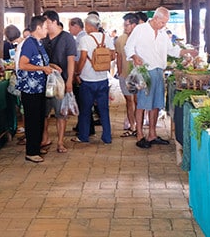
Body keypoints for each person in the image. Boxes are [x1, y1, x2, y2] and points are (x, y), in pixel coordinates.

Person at [125, 7, 198, 149]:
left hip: (159, 72)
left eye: (165, 23)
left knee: (156, 105)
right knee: (142, 105)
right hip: (145, 72)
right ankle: (140, 134)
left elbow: (172, 50)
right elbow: (129, 47)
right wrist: (134, 56)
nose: (164, 25)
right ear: (156, 18)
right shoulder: (140, 30)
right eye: (163, 22)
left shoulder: (163, 34)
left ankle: (152, 134)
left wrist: (187, 51)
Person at [17, 15, 54, 163]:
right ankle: (31, 152)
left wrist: (51, 67)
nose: (47, 30)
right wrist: (42, 68)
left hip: (39, 88)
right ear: (38, 28)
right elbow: (23, 64)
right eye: (45, 27)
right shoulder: (29, 43)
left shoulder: (38, 43)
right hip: (30, 90)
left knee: (39, 119)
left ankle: (36, 147)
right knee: (32, 120)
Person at [73, 14, 115, 144]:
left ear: (89, 26)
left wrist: (77, 72)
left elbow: (83, 58)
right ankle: (107, 137)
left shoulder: (85, 39)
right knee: (104, 109)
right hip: (103, 79)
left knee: (85, 110)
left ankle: (84, 136)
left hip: (88, 79)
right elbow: (113, 56)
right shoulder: (106, 38)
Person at [41, 10, 76, 154]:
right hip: (44, 81)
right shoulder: (42, 38)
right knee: (44, 112)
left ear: (55, 22)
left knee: (61, 113)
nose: (45, 26)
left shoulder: (67, 38)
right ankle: (45, 138)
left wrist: (69, 81)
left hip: (61, 82)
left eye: (47, 23)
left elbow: (71, 60)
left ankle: (60, 142)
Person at [115, 12, 140, 137]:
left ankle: (138, 127)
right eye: (124, 25)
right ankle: (132, 126)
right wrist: (120, 73)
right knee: (129, 101)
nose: (124, 28)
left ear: (134, 25)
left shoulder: (141, 38)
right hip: (125, 75)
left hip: (138, 75)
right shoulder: (120, 39)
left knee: (138, 101)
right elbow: (118, 57)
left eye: (127, 25)